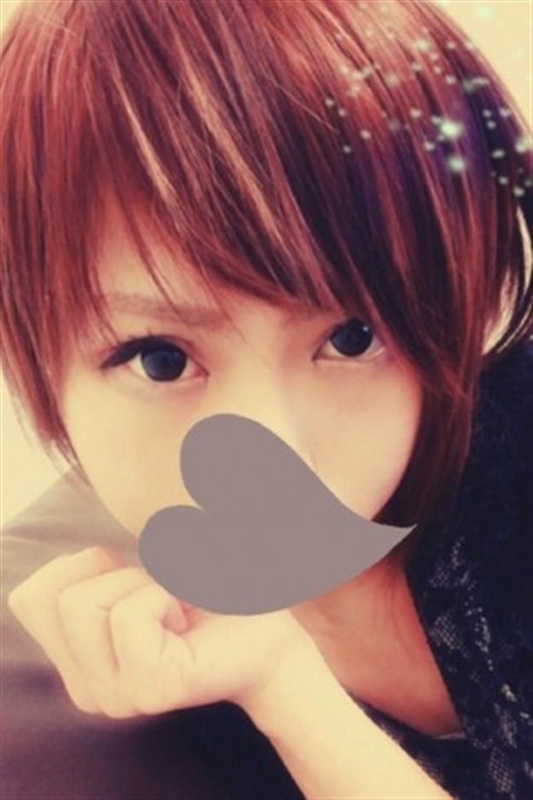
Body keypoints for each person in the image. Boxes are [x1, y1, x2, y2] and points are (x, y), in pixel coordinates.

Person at [1, 0, 531, 797]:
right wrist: (285, 689)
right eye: (159, 359)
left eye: (351, 337)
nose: (268, 453)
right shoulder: (183, 685)